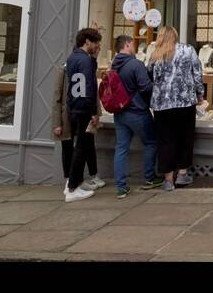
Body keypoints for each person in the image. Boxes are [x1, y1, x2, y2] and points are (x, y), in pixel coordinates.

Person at [148, 25, 205, 190]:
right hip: (184, 102)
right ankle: (182, 174)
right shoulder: (188, 50)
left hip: (162, 105)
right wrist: (199, 94)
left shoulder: (155, 54)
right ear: (175, 35)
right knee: (185, 137)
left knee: (166, 140)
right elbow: (197, 73)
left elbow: (149, 75)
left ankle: (167, 180)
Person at [110, 35, 160, 198]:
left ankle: (121, 186)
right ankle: (149, 178)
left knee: (121, 147)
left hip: (120, 113)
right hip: (138, 112)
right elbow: (146, 87)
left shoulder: (114, 65)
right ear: (126, 45)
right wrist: (159, 83)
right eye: (132, 44)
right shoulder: (135, 64)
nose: (134, 47)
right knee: (151, 142)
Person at [63, 28, 102, 203]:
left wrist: (93, 59)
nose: (98, 46)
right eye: (96, 43)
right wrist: (93, 111)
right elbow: (89, 87)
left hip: (74, 107)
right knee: (82, 148)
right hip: (84, 108)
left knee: (80, 147)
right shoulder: (85, 61)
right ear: (87, 41)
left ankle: (73, 184)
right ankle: (72, 188)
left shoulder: (72, 58)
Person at [52, 61, 103, 192]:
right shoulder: (62, 71)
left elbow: (93, 95)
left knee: (87, 144)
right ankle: (70, 180)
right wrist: (57, 123)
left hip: (82, 113)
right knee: (67, 146)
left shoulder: (87, 69)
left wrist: (95, 113)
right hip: (67, 115)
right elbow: (57, 97)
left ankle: (89, 176)